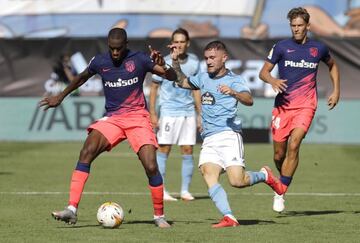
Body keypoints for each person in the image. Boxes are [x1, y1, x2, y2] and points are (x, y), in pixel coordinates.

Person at [39, 27, 177, 228]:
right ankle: (71, 209)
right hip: (113, 118)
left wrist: (165, 65)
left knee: (151, 166)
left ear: (126, 45)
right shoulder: (100, 61)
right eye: (112, 49)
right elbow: (82, 77)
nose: (115, 53)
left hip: (138, 118)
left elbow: (171, 77)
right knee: (86, 151)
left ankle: (159, 216)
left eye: (118, 49)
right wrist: (60, 96)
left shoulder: (139, 59)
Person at [169, 40, 282, 228]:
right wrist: (175, 62)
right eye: (206, 58)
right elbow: (181, 81)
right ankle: (229, 217)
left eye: (213, 58)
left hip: (229, 135)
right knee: (208, 173)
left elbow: (249, 99)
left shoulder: (234, 80)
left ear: (224, 58)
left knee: (237, 181)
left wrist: (234, 93)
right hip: (209, 138)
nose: (209, 61)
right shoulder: (203, 77)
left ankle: (265, 175)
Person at [259, 7, 340, 213]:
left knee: (294, 144)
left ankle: (280, 191)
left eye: (299, 26)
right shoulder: (281, 47)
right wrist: (273, 80)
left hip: (306, 105)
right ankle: (282, 179)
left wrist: (336, 90)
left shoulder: (318, 48)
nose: (296, 29)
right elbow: (263, 73)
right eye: (293, 26)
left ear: (308, 26)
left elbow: (332, 65)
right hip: (283, 107)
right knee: (279, 155)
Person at [149, 28, 201, 201]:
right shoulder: (163, 61)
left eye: (182, 41)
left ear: (188, 43)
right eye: (176, 41)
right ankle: (162, 191)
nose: (179, 45)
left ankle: (185, 191)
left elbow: (196, 89)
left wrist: (200, 114)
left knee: (187, 150)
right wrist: (152, 113)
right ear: (171, 44)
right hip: (169, 111)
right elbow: (154, 88)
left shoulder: (194, 62)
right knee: (164, 149)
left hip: (188, 111)